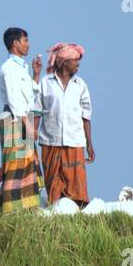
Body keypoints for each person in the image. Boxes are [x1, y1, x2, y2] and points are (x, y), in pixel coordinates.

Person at [38, 42, 93, 208]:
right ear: (64, 62)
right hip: (50, 141)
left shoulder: (80, 85)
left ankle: (77, 215)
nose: (78, 64)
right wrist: (31, 137)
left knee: (76, 186)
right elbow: (36, 111)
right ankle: (57, 214)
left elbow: (86, 116)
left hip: (74, 142)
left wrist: (89, 145)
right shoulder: (45, 83)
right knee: (53, 186)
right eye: (75, 60)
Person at [0, 27, 43, 212]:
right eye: (25, 40)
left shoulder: (21, 66)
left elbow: (30, 92)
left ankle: (27, 206)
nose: (28, 44)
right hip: (15, 120)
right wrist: (27, 126)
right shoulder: (8, 68)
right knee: (14, 164)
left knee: (27, 164)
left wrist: (36, 74)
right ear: (15, 43)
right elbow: (15, 99)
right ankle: (10, 209)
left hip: (24, 119)